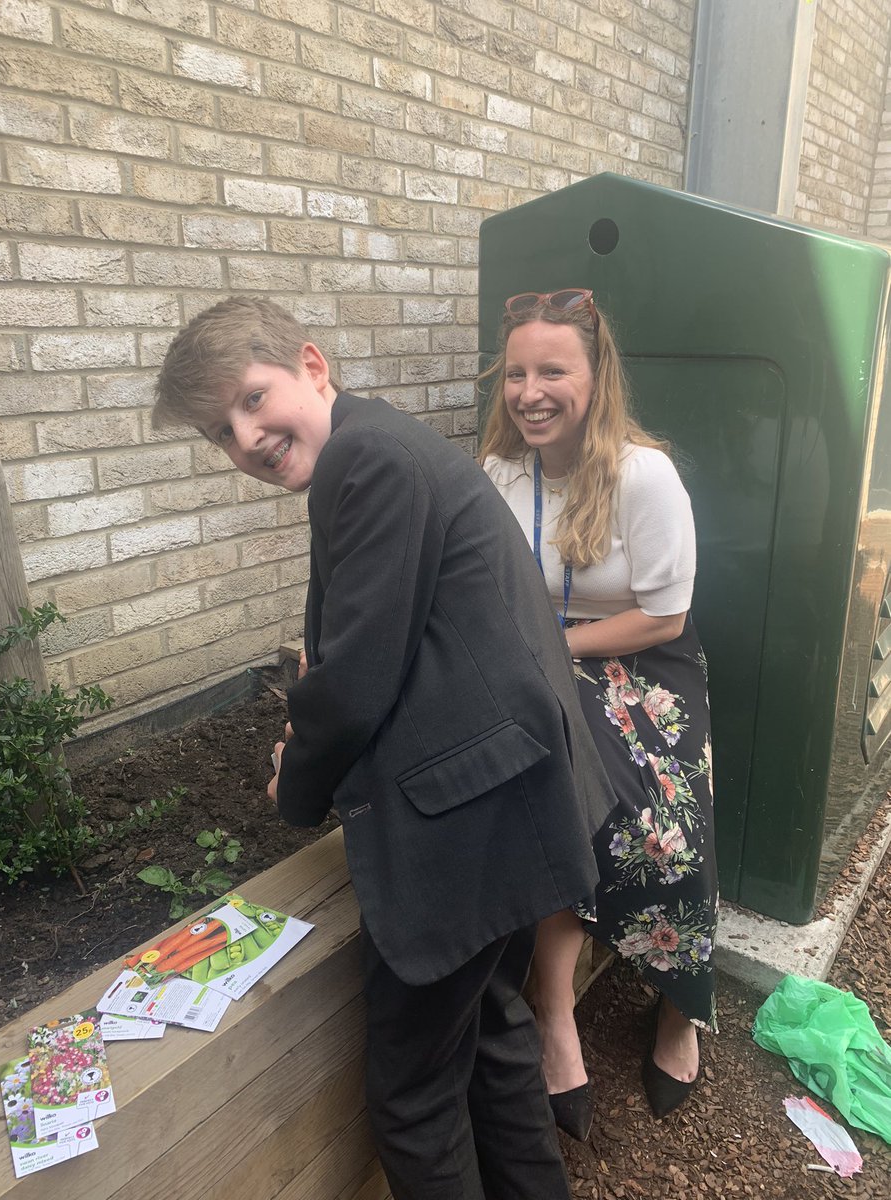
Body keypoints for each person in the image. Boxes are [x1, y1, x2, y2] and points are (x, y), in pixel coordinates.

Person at [152, 296, 617, 1199]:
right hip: (504, 800)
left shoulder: (366, 459)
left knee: (410, 1098)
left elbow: (359, 678)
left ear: (314, 366)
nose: (244, 438)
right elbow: (413, 644)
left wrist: (298, 780)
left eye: (253, 399)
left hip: (470, 827)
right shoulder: (379, 450)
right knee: (491, 1035)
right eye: (220, 432)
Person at [480, 288, 718, 1126]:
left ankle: (681, 1005)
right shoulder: (500, 475)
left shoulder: (643, 474)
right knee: (552, 799)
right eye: (516, 373)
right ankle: (554, 1016)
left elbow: (666, 615)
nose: (530, 391)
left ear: (597, 374)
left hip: (642, 663)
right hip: (544, 665)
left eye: (553, 370)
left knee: (668, 826)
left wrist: (552, 648)